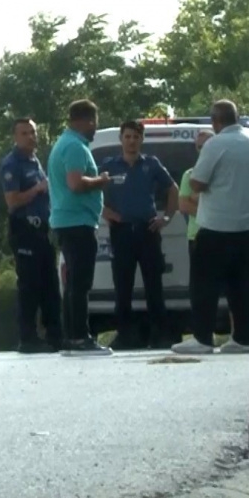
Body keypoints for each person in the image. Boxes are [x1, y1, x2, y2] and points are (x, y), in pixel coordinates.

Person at [172, 100, 249, 355]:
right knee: (242, 285)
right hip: (247, 225)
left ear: (215, 121)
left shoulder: (215, 144)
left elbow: (198, 182)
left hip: (216, 226)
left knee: (205, 284)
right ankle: (242, 339)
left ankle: (202, 338)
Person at [100, 119, 179, 350]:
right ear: (121, 139)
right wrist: (106, 212)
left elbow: (172, 189)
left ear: (141, 139)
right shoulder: (109, 165)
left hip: (147, 231)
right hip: (121, 232)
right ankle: (125, 335)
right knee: (122, 286)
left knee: (153, 285)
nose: (131, 141)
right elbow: (91, 192)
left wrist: (166, 217)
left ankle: (160, 335)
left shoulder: (151, 164)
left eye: (136, 137)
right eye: (127, 137)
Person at [47, 99, 114, 356]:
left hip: (70, 221)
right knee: (80, 283)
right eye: (94, 121)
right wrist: (101, 180)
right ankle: (80, 338)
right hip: (76, 222)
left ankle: (72, 336)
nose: (96, 127)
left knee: (74, 282)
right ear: (85, 120)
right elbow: (75, 183)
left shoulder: (65, 143)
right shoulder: (74, 146)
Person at [0, 118, 64, 353]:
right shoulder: (12, 164)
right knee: (29, 285)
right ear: (15, 137)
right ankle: (28, 338)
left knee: (50, 284)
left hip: (42, 230)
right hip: (24, 228)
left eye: (33, 132)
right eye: (25, 133)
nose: (30, 137)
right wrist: (38, 189)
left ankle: (55, 335)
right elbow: (12, 201)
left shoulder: (35, 161)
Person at [178, 129, 213, 262]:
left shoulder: (225, 173)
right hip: (196, 236)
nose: (203, 149)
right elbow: (184, 206)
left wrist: (197, 198)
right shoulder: (190, 175)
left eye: (207, 145)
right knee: (199, 281)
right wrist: (213, 212)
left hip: (223, 236)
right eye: (200, 146)